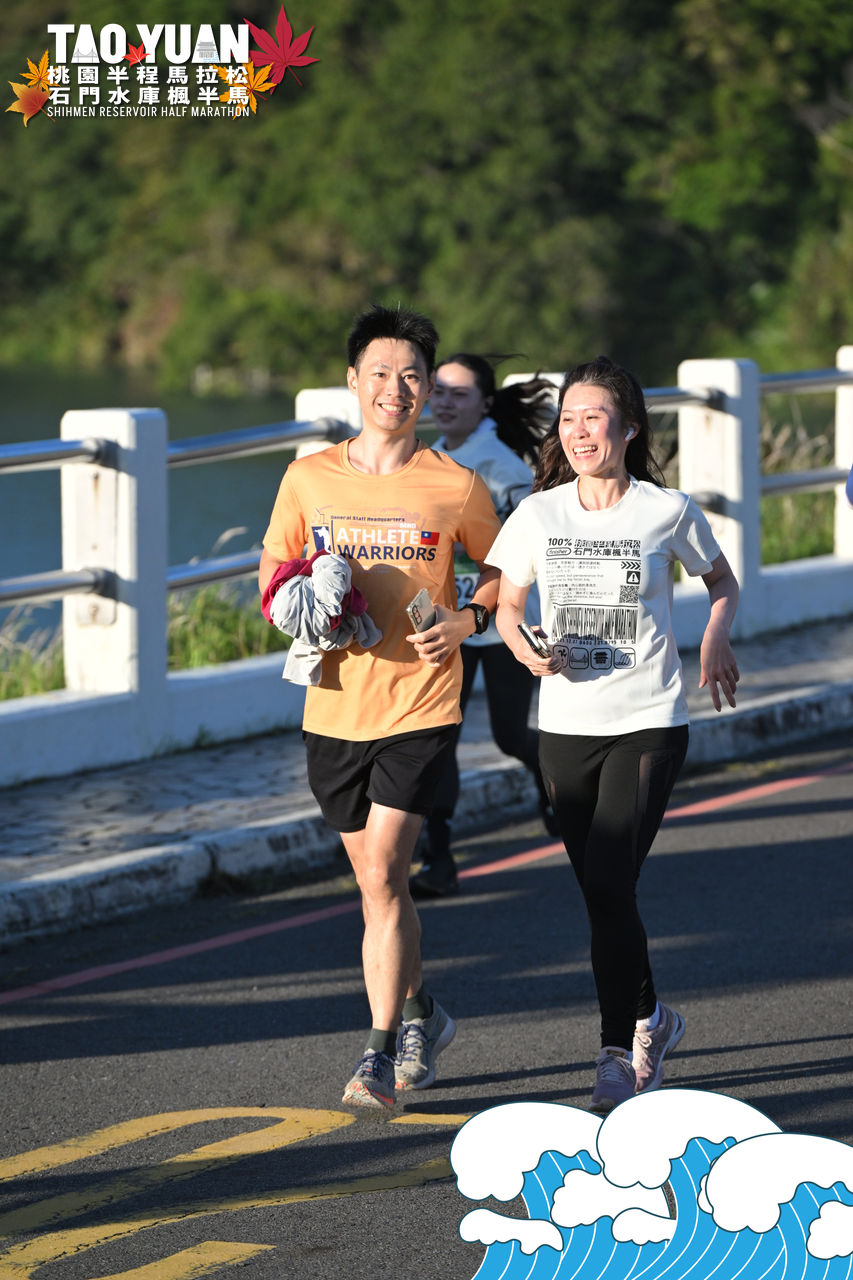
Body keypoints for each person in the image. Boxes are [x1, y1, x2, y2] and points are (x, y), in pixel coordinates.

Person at [259, 304, 501, 1110]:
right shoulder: (307, 478)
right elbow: (272, 576)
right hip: (333, 706)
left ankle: (376, 1050)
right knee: (375, 886)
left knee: (384, 871)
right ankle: (423, 1012)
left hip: (421, 704)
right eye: (380, 374)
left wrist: (466, 621)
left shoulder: (455, 485)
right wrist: (307, 603)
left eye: (411, 376)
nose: (395, 388)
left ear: (427, 389)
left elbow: (501, 572)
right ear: (353, 382)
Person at [487, 355, 740, 1114]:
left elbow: (721, 583)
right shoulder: (537, 515)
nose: (577, 431)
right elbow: (506, 607)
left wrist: (715, 636)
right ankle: (653, 1017)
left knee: (606, 883)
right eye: (567, 419)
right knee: (604, 894)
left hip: (649, 720)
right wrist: (523, 648)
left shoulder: (666, 511)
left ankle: (613, 1054)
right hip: (565, 725)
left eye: (592, 417)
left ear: (628, 429)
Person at [410, 354, 557, 898]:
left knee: (508, 734)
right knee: (440, 735)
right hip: (448, 622)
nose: (445, 403)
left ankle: (556, 786)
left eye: (460, 394)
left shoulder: (500, 466)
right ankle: (439, 857)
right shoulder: (430, 457)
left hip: (501, 623)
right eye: (440, 391)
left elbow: (533, 545)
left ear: (485, 403)